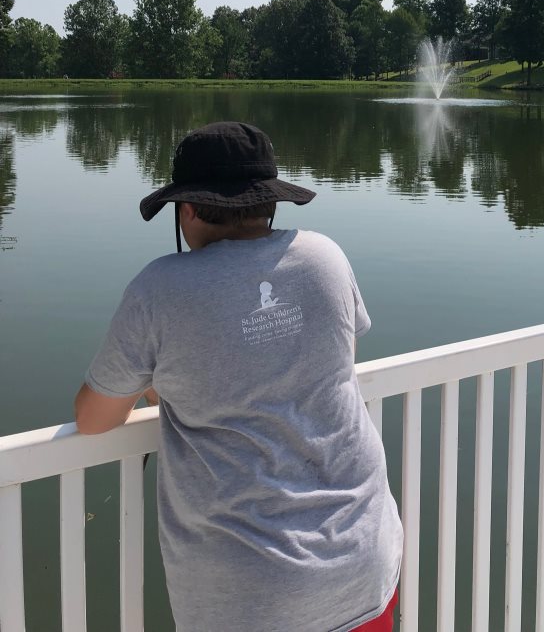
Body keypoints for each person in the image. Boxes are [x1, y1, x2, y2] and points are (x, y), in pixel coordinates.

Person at [75, 121, 403, 632]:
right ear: (268, 203)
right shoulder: (324, 257)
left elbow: (95, 419)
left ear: (186, 210)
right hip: (364, 563)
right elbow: (331, 359)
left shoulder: (160, 288)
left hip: (249, 598)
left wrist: (164, 381)